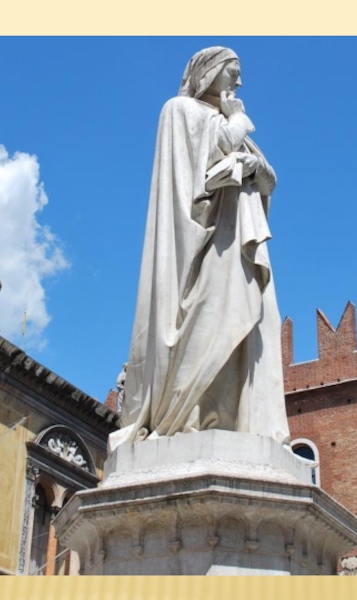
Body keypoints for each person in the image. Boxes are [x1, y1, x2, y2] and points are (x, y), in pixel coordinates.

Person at [109, 47, 290, 452]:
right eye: (233, 71)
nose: (239, 81)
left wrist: (253, 166)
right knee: (208, 320)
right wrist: (237, 121)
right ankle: (185, 417)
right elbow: (207, 159)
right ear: (208, 72)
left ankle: (230, 422)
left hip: (238, 244)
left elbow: (270, 180)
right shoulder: (179, 111)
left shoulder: (227, 121)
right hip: (205, 244)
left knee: (243, 324)